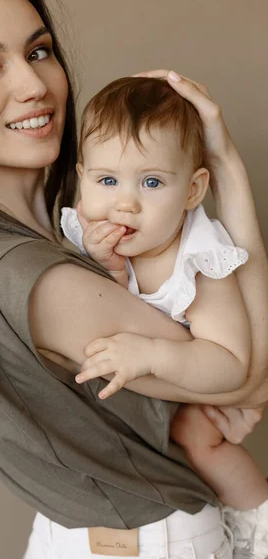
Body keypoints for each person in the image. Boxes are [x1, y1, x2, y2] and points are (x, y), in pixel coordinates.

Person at [0, 0, 267, 559]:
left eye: (39, 50)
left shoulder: (25, 246)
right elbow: (246, 373)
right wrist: (228, 169)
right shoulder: (32, 276)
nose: (34, 84)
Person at [61, 76, 268, 556]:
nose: (125, 202)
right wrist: (107, 268)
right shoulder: (90, 235)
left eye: (151, 181)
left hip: (205, 392)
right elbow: (113, 312)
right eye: (106, 180)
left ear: (194, 190)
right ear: (82, 177)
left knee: (198, 439)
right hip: (144, 412)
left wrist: (150, 353)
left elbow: (230, 362)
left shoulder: (198, 262)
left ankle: (257, 521)